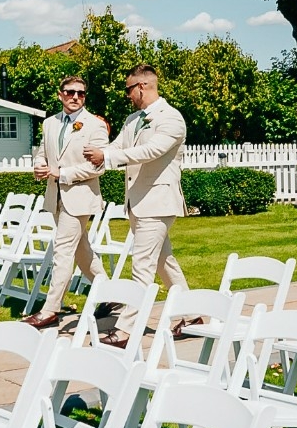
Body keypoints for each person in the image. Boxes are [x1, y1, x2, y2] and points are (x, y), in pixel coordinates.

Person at [83, 64, 196, 347]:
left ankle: (126, 329)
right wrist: (96, 154)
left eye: (128, 89)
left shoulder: (171, 118)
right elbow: (118, 146)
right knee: (163, 262)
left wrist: (106, 159)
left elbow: (151, 151)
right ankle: (191, 316)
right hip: (137, 202)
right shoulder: (133, 119)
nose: (127, 95)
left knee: (142, 265)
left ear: (142, 87)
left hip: (158, 202)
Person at [22, 75, 109, 328]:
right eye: (70, 92)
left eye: (81, 93)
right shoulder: (50, 123)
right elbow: (42, 151)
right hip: (55, 196)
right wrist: (39, 165)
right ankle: (112, 296)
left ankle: (50, 310)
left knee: (62, 251)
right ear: (60, 94)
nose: (75, 97)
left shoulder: (95, 125)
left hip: (80, 198)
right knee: (82, 253)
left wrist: (64, 174)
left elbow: (98, 166)